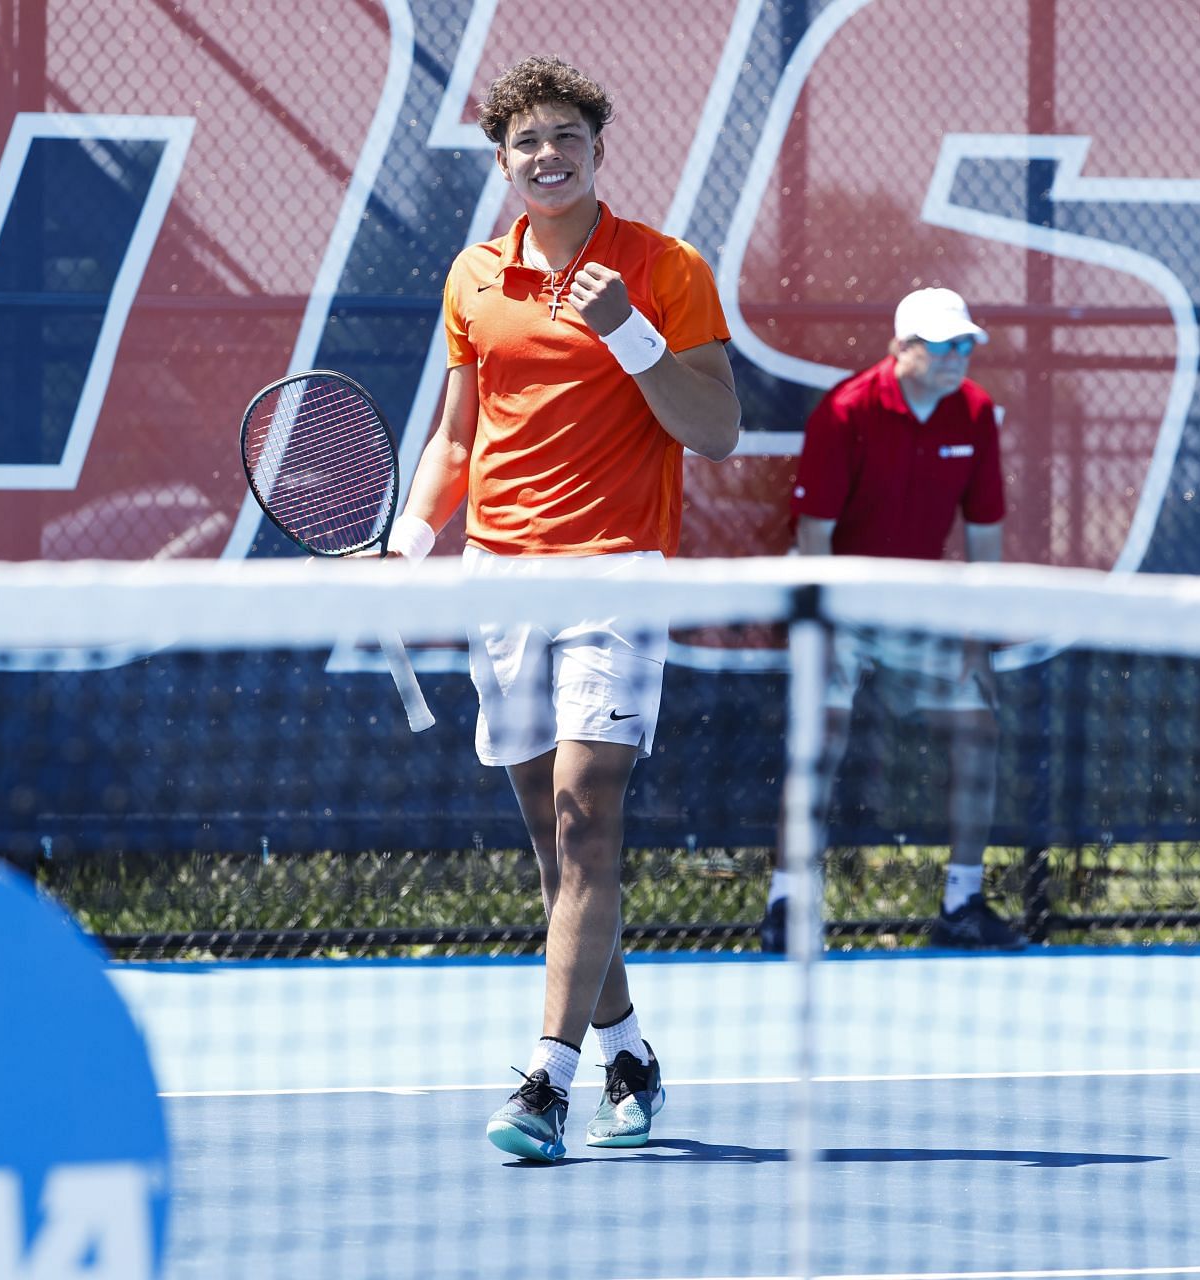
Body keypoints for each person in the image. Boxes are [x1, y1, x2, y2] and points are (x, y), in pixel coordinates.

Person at [386, 55, 739, 1162]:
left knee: (590, 814)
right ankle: (628, 1046)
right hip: (501, 573)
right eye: (528, 141)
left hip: (619, 571)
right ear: (504, 160)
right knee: (556, 843)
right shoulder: (473, 276)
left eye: (567, 139)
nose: (549, 155)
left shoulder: (665, 268)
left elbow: (716, 427)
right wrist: (412, 528)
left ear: (597, 151)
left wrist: (632, 331)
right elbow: (455, 437)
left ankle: (546, 1078)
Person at [763, 287, 1024, 953]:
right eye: (941, 345)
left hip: (920, 609)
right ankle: (786, 903)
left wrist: (977, 635)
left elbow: (985, 540)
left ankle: (963, 903)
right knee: (819, 740)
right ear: (900, 350)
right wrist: (822, 633)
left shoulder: (976, 413)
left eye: (964, 344)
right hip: (840, 600)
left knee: (978, 732)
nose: (956, 357)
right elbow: (815, 535)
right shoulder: (846, 412)